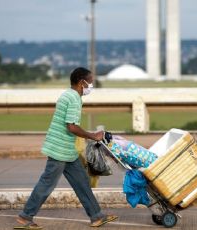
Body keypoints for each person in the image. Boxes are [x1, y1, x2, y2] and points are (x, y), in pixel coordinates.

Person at [15, 67, 118, 229]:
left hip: (67, 149)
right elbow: (71, 127)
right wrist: (93, 136)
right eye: (90, 82)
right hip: (59, 149)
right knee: (47, 184)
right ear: (80, 82)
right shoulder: (74, 98)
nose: (91, 85)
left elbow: (71, 126)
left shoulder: (69, 95)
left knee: (82, 182)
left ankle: (96, 216)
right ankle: (25, 216)